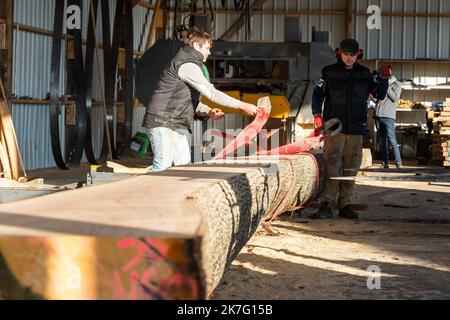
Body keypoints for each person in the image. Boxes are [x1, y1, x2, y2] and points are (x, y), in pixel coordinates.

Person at [142, 27, 258, 172]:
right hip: (163, 121)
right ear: (196, 46)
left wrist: (208, 110)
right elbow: (211, 93)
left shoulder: (191, 63)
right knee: (162, 166)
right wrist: (241, 105)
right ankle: (136, 192)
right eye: (207, 48)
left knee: (183, 167)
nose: (209, 52)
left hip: (174, 122)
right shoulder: (186, 64)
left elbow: (185, 99)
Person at [311, 39, 389, 219]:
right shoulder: (329, 72)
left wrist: (384, 80)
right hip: (334, 129)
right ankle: (327, 205)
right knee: (331, 165)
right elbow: (317, 94)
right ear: (340, 53)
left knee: (350, 168)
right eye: (346, 54)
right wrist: (316, 114)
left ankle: (345, 204)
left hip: (356, 129)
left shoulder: (365, 74)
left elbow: (379, 95)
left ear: (358, 55)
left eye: (352, 55)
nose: (349, 58)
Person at [374, 65, 403, 169]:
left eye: (386, 75)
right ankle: (385, 162)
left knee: (392, 140)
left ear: (390, 74)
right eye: (382, 75)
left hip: (389, 117)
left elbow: (395, 98)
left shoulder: (397, 84)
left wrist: (385, 86)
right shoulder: (379, 83)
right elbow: (377, 99)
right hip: (378, 115)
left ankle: (398, 162)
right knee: (382, 141)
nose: (384, 76)